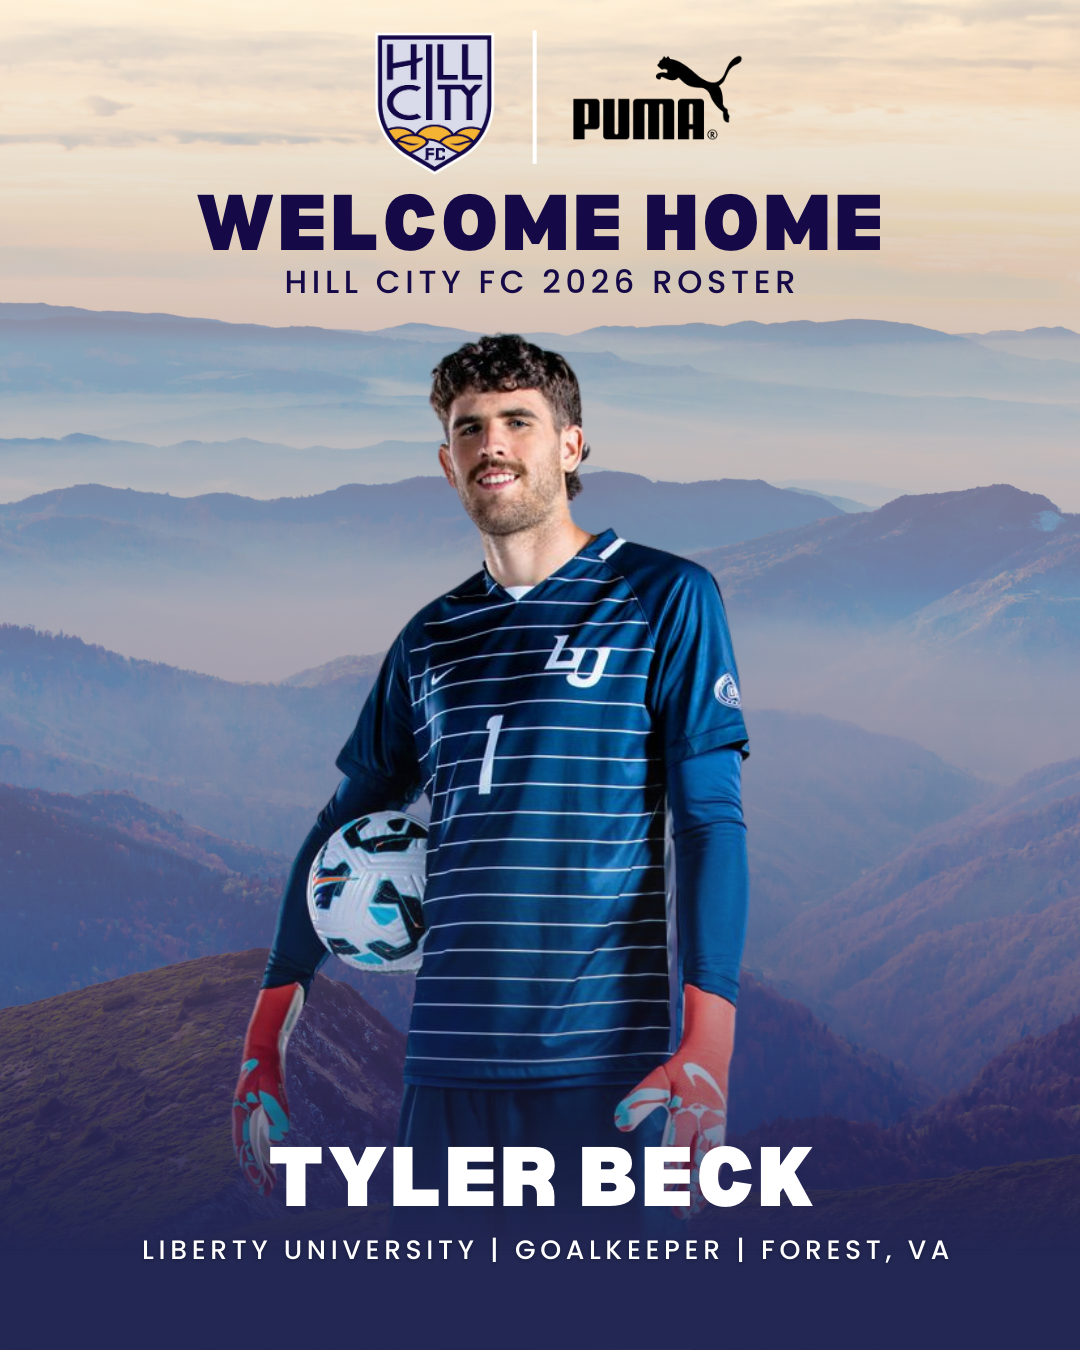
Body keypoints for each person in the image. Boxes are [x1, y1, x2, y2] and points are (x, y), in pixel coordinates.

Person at [232, 334, 749, 1224]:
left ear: (572, 445)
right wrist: (263, 1042)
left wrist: (710, 1042)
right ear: (447, 462)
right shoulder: (429, 639)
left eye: (519, 421)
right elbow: (341, 829)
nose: (493, 445)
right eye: (470, 429)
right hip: (441, 1076)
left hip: (605, 1074)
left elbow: (709, 823)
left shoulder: (666, 598)